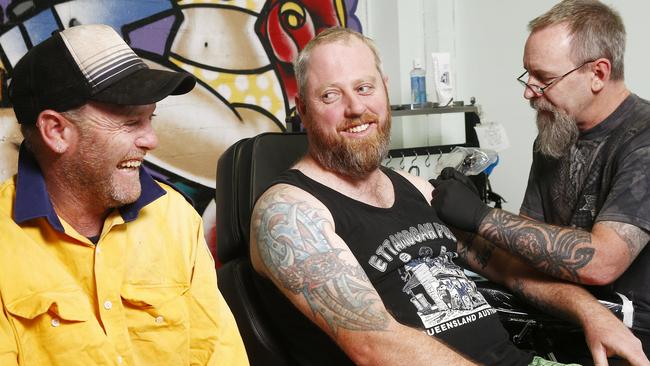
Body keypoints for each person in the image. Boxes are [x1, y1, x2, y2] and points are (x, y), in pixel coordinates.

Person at [248, 26, 648, 366]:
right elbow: (374, 343)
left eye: (365, 87)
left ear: (384, 91)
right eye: (330, 96)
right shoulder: (288, 211)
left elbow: (508, 268)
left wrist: (592, 312)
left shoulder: (414, 189)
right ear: (302, 108)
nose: (356, 108)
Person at [0, 24, 248, 365]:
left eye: (150, 119)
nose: (151, 141)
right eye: (130, 123)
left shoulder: (175, 219)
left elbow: (221, 355)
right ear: (56, 131)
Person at [431, 0, 650, 361]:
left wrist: (481, 217)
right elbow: (527, 251)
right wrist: (460, 224)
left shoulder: (641, 141)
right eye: (527, 76)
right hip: (565, 321)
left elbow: (602, 261)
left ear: (598, 73)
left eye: (544, 79)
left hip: (631, 341)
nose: (529, 92)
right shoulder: (554, 136)